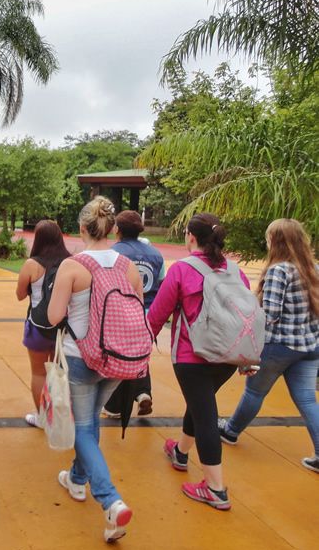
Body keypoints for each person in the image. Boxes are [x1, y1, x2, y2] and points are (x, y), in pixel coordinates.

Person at [47, 196, 141, 543]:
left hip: (82, 358)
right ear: (113, 229)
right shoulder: (127, 265)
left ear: (82, 228)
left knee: (83, 429)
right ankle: (76, 478)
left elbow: (53, 317)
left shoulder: (74, 267)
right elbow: (136, 312)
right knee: (92, 422)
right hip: (119, 359)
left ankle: (110, 501)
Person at [148, 213, 253, 510]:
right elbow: (246, 314)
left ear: (190, 237)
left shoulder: (182, 269)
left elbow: (157, 314)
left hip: (191, 356)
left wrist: (141, 346)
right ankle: (180, 452)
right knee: (200, 403)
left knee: (205, 414)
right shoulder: (235, 270)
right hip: (229, 356)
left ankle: (216, 488)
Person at [218, 219, 319, 473]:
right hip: (309, 345)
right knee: (307, 399)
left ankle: (230, 431)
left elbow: (269, 314)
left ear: (276, 242)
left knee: (254, 392)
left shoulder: (279, 271)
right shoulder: (313, 268)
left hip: (279, 345)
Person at [102, 210, 165, 419]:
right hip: (149, 315)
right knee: (139, 355)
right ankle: (142, 392)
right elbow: (161, 284)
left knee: (118, 357)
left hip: (121, 314)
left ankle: (115, 405)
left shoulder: (112, 253)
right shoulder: (156, 254)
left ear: (116, 229)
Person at [15, 219, 71, 427]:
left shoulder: (32, 264)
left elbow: (20, 295)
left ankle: (42, 417)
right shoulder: (71, 262)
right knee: (58, 371)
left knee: (38, 372)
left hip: (38, 326)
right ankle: (59, 415)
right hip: (63, 329)